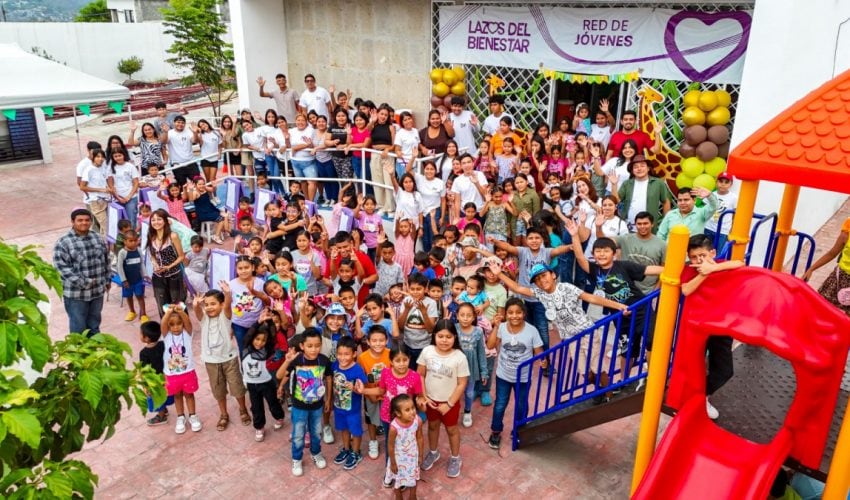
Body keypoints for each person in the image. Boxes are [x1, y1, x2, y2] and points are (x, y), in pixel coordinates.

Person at [681, 234, 743, 419]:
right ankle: (690, 399)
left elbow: (740, 263)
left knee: (725, 370)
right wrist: (704, 273)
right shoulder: (690, 271)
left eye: (703, 255)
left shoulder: (721, 265)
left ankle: (702, 396)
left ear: (713, 253)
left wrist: (713, 267)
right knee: (692, 367)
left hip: (720, 327)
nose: (699, 260)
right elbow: (686, 289)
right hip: (696, 326)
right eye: (694, 257)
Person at [484, 298, 544, 450]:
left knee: (521, 405)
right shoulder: (502, 328)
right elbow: (490, 345)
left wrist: (543, 361)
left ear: (524, 313)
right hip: (503, 375)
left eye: (518, 312)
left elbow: (539, 352)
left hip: (523, 378)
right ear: (506, 314)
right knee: (500, 405)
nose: (514, 316)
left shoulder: (532, 331)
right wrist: (496, 327)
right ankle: (496, 431)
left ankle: (519, 429)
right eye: (510, 312)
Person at [193, 286, 252, 431]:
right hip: (211, 362)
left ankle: (243, 409)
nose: (209, 307)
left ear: (221, 304)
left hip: (229, 359)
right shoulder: (204, 319)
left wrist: (227, 294)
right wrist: (196, 305)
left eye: (213, 304)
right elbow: (198, 312)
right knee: (218, 390)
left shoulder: (225, 317)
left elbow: (228, 305)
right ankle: (224, 414)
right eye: (206, 304)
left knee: (237, 387)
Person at [276, 328, 333, 477]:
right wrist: (287, 361)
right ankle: (297, 458)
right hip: (299, 406)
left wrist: (328, 399)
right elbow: (280, 375)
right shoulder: (296, 360)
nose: (314, 349)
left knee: (316, 432)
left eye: (317, 345)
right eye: (310, 346)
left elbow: (328, 379)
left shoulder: (324, 360)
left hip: (317, 406)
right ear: (302, 346)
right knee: (298, 434)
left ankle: (316, 453)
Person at [417, 319, 470, 478]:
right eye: (440, 336)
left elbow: (462, 383)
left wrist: (449, 403)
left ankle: (455, 458)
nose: (444, 340)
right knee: (432, 426)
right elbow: (420, 374)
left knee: (451, 429)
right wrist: (424, 396)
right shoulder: (427, 351)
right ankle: (433, 452)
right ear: (434, 336)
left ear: (455, 337)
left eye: (448, 337)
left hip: (449, 403)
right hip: (431, 401)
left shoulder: (459, 357)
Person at [54, 209, 110, 336]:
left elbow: (106, 260)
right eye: (80, 220)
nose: (84, 223)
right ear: (72, 222)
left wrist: (107, 280)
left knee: (94, 326)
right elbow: (61, 268)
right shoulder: (64, 242)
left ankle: (95, 348)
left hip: (97, 292)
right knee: (78, 330)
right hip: (76, 295)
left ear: (91, 221)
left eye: (87, 220)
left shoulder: (97, 238)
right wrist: (85, 282)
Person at [242, 318, 286, 441]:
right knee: (256, 407)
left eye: (263, 340)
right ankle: (259, 427)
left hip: (267, 383)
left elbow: (272, 335)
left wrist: (270, 321)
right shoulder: (246, 348)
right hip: (252, 385)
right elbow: (248, 335)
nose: (260, 343)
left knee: (273, 402)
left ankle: (279, 417)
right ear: (252, 338)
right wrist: (258, 322)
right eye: (257, 339)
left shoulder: (267, 350)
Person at [161, 304, 202, 434]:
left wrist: (181, 311)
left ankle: (193, 416)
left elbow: (188, 322)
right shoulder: (166, 336)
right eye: (172, 325)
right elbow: (163, 325)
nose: (176, 327)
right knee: (177, 396)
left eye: (179, 324)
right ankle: (180, 417)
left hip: (187, 372)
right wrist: (168, 313)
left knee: (189, 394)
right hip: (171, 374)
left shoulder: (187, 334)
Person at [330, 337, 369, 470]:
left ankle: (356, 453)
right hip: (338, 407)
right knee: (343, 429)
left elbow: (363, 388)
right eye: (340, 354)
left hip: (353, 410)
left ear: (354, 354)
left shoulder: (357, 369)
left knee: (355, 431)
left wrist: (354, 388)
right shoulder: (335, 365)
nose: (342, 358)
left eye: (346, 354)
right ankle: (347, 449)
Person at [803, 215, 850, 315]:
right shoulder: (846, 234)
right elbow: (832, 253)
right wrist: (811, 269)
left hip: (841, 278)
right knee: (821, 308)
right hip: (840, 279)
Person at [357, 324, 392, 459]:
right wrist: (368, 393)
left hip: (387, 393)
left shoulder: (390, 354)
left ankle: (391, 438)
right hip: (370, 393)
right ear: (368, 341)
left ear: (387, 340)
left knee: (389, 417)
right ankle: (373, 441)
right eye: (374, 340)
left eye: (381, 340)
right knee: (370, 419)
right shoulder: (363, 357)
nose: (378, 343)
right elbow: (362, 377)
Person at [147, 209, 187, 318]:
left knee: (178, 304)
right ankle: (166, 326)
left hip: (174, 275)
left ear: (165, 221)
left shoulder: (172, 236)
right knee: (162, 304)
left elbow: (181, 256)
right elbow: (152, 254)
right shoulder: (151, 236)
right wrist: (154, 263)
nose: (156, 222)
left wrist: (168, 267)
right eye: (153, 220)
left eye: (159, 219)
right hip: (158, 276)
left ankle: (183, 325)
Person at [617, 155, 673, 231]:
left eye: (642, 166)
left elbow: (666, 202)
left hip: (650, 228)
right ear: (632, 171)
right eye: (635, 167)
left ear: (648, 168)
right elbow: (616, 200)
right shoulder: (627, 183)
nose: (639, 169)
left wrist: (665, 222)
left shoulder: (658, 183)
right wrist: (614, 185)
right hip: (628, 227)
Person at [615, 212, 667, 295]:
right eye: (639, 224)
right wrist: (598, 227)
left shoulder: (662, 244)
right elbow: (605, 243)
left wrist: (655, 291)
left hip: (648, 292)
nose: (642, 226)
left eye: (645, 223)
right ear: (635, 225)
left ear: (652, 224)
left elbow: (664, 269)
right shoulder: (625, 239)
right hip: (624, 289)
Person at [227, 255, 269, 353]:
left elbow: (267, 301)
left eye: (246, 267)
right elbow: (228, 305)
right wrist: (230, 325)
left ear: (253, 267)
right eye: (240, 268)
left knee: (258, 348)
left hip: (257, 323)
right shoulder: (231, 285)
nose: (243, 271)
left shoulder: (260, 283)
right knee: (243, 349)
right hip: (238, 324)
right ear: (236, 269)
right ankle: (244, 363)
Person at [455, 303, 488, 428]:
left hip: (470, 368)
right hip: (455, 368)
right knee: (454, 391)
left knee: (469, 393)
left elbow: (481, 353)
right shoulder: (453, 328)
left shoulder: (478, 331)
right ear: (457, 316)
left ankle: (467, 412)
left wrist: (484, 371)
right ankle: (453, 410)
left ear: (474, 317)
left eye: (469, 315)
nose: (465, 318)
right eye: (462, 315)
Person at [386, 394, 425, 499]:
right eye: (407, 410)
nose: (412, 411)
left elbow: (420, 437)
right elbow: (390, 446)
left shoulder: (417, 421)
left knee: (414, 477)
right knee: (398, 478)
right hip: (398, 458)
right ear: (398, 413)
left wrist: (420, 455)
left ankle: (413, 496)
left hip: (412, 456)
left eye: (413, 408)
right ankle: (398, 496)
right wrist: (393, 463)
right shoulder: (394, 428)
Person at [399, 274, 439, 367]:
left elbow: (430, 329)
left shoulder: (431, 303)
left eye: (418, 289)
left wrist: (424, 312)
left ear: (425, 289)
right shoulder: (406, 301)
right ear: (408, 288)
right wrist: (406, 310)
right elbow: (400, 326)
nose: (415, 292)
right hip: (407, 344)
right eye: (412, 289)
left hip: (424, 346)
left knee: (421, 371)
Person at [139, 320, 174, 426]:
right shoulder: (163, 344)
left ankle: (161, 416)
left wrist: (145, 384)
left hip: (155, 381)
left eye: (141, 333)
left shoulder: (144, 353)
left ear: (146, 338)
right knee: (165, 394)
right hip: (166, 376)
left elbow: (145, 370)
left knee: (157, 397)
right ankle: (164, 409)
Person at [368, 105, 397, 214]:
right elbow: (367, 130)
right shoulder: (373, 125)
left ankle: (390, 208)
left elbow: (394, 145)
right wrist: (372, 121)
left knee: (388, 181)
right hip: (375, 154)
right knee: (377, 181)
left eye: (386, 115)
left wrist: (388, 149)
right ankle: (381, 205)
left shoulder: (391, 127)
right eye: (382, 114)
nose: (383, 116)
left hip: (387, 155)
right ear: (378, 114)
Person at [116, 230, 148, 323]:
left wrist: (145, 275)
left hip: (138, 280)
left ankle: (143, 314)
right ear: (125, 241)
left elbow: (141, 263)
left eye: (135, 240)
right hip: (127, 281)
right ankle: (132, 311)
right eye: (130, 241)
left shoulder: (138, 250)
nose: (133, 243)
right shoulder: (122, 253)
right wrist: (124, 280)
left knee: (140, 296)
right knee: (129, 296)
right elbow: (119, 267)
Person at [703, 172, 738, 252]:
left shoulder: (733, 198)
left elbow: (736, 215)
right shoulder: (711, 195)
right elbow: (705, 210)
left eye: (726, 182)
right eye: (721, 181)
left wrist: (732, 230)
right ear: (716, 182)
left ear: (731, 184)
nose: (723, 184)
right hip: (708, 227)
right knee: (705, 251)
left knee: (717, 253)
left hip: (723, 230)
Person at [78, 149, 111, 235]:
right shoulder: (89, 170)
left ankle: (103, 241)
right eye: (98, 157)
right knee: (106, 226)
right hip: (96, 201)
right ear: (93, 157)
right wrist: (100, 190)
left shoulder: (103, 168)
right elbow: (82, 187)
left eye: (102, 157)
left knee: (105, 226)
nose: (100, 159)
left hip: (106, 199)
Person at [160, 115, 199, 186]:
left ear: (185, 124)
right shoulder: (169, 133)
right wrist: (165, 132)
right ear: (174, 123)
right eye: (178, 122)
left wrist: (195, 133)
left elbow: (194, 141)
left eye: (182, 123)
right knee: (182, 186)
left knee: (198, 183)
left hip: (191, 162)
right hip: (177, 164)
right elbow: (163, 142)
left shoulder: (188, 131)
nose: (180, 124)